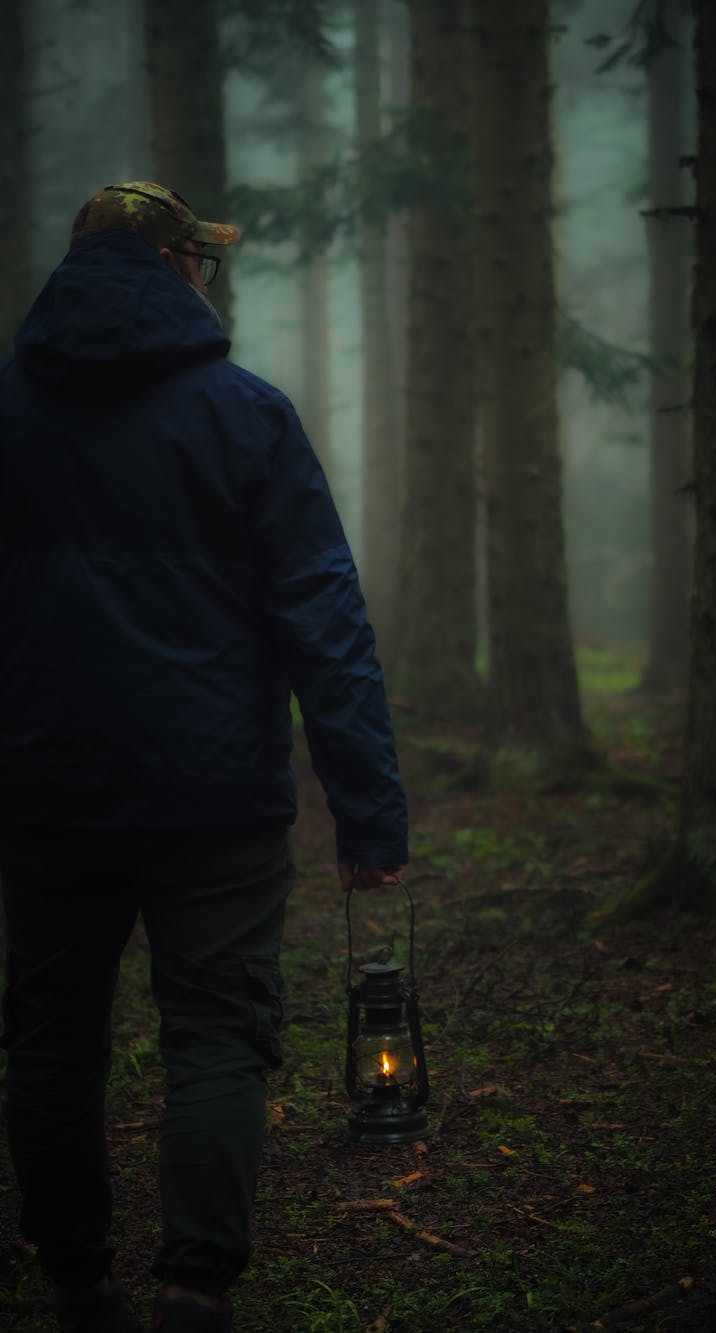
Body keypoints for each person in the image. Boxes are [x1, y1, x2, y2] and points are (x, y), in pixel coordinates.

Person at [0, 182, 408, 1333]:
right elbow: (323, 620)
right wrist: (371, 822)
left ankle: (76, 1282)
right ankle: (192, 1291)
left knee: (49, 1033)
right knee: (219, 1032)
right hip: (213, 797)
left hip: (41, 788)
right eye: (206, 263)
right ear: (182, 268)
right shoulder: (246, 415)